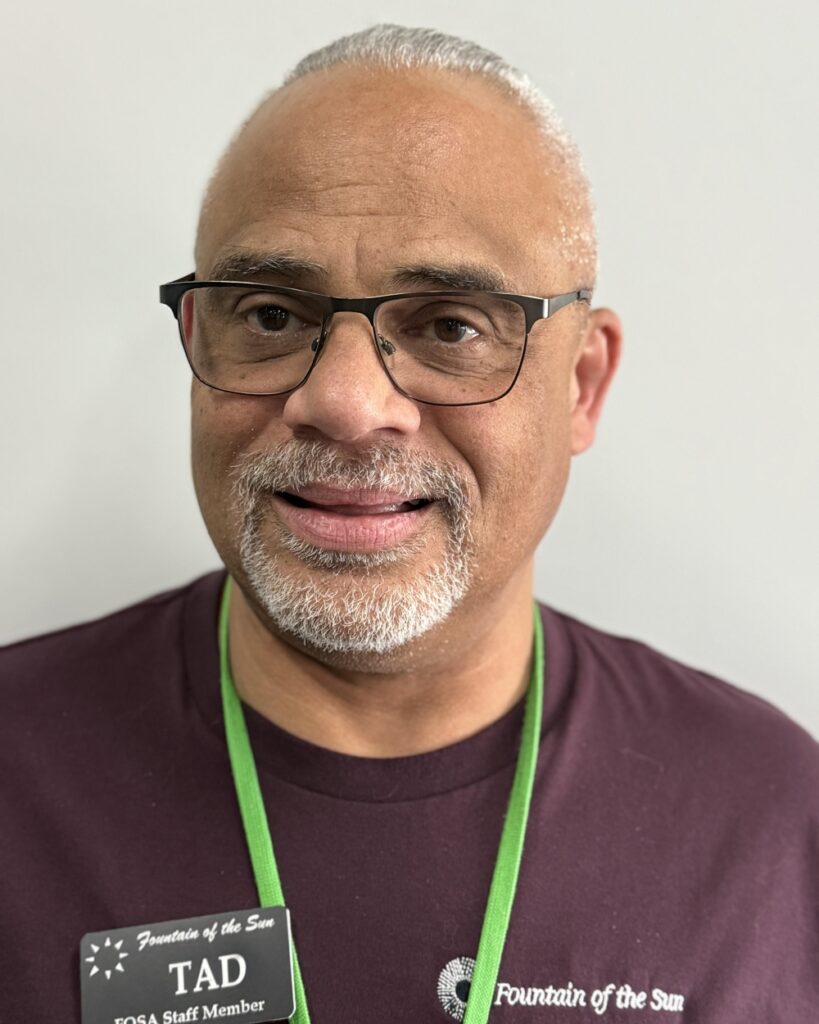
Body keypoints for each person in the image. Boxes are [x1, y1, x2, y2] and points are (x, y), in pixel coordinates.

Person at [1, 23, 816, 1024]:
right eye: (271, 316)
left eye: (450, 326)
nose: (346, 404)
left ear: (581, 385)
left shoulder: (767, 819)